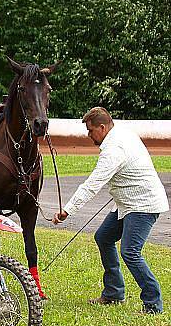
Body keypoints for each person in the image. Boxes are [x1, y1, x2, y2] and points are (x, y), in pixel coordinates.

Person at [52, 107, 168, 314]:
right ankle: (114, 292)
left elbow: (92, 184)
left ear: (102, 127)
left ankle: (153, 303)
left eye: (91, 131)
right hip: (126, 204)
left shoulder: (114, 148)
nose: (89, 136)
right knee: (104, 237)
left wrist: (67, 211)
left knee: (130, 252)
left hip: (143, 205)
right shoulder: (121, 133)